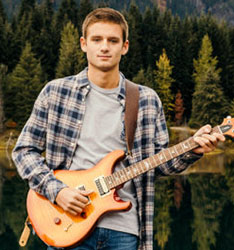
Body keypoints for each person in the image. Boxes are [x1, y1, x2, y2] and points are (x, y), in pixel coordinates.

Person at [12, 7, 225, 250]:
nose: (105, 47)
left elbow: (158, 164)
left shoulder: (145, 99)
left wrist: (193, 149)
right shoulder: (56, 93)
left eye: (113, 40)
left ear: (124, 46)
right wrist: (57, 192)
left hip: (124, 231)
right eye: (97, 40)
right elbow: (24, 152)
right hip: (68, 224)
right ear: (84, 44)